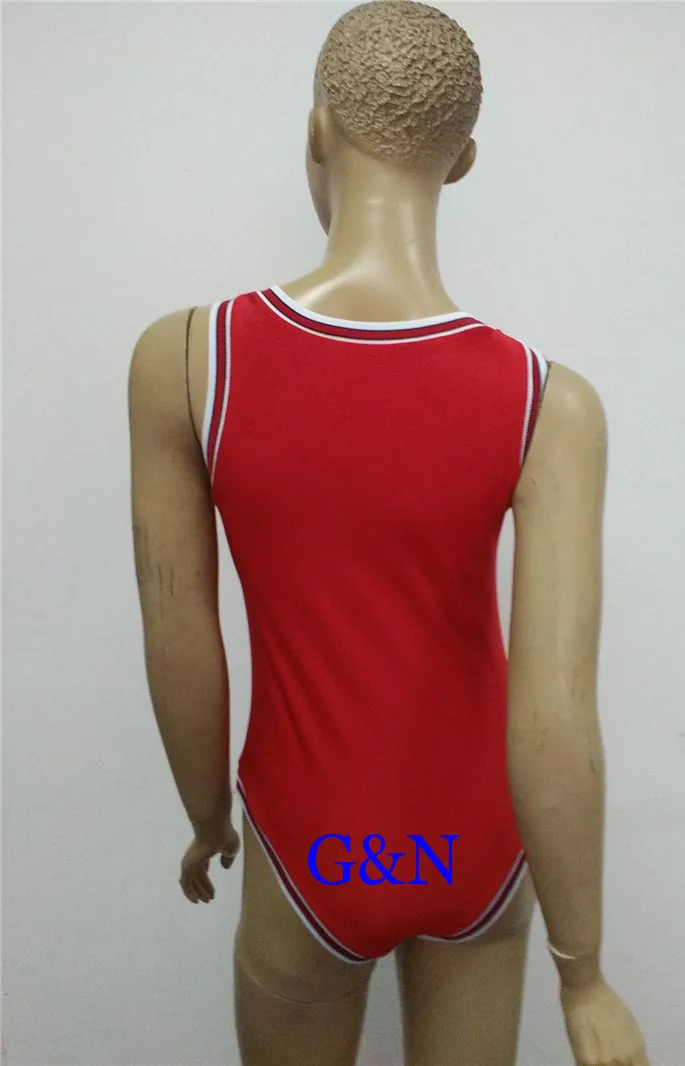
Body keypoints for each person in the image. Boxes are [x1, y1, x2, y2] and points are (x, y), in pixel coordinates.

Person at [128, 3, 649, 1064]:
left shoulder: (186, 362)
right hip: (474, 847)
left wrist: (206, 815)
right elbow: (554, 710)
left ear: (315, 129)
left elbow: (179, 628)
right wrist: (583, 970)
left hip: (313, 840)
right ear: (463, 160)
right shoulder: (549, 403)